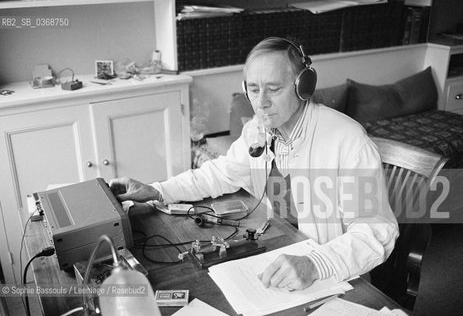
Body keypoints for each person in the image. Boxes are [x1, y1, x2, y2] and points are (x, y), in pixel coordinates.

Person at [110, 37, 399, 291]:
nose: (261, 103)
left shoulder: (348, 141)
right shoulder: (259, 129)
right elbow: (221, 173)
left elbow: (376, 232)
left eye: (273, 89)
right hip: (279, 256)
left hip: (335, 278)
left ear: (303, 87)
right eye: (253, 89)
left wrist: (315, 264)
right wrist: (156, 190)